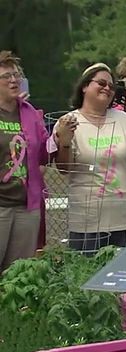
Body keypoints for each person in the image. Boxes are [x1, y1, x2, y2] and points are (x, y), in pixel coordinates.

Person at [49, 63, 126, 253]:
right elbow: (64, 169)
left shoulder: (124, 120)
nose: (107, 88)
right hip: (87, 222)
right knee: (87, 278)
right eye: (101, 83)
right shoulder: (68, 122)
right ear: (84, 86)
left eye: (111, 86)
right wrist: (64, 141)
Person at [0, 51, 49, 270]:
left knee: (18, 275)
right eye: (6, 76)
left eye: (16, 75)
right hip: (1, 205)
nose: (13, 80)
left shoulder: (29, 113)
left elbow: (45, 152)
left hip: (26, 206)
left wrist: (61, 137)